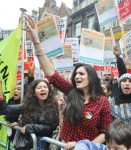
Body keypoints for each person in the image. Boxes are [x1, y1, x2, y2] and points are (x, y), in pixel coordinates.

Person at [25, 16, 111, 150]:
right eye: (76, 74)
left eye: (81, 74)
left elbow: (104, 133)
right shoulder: (71, 91)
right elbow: (51, 74)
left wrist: (84, 146)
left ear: (92, 78)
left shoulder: (103, 102)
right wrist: (36, 41)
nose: (77, 76)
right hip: (62, 145)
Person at [0, 80, 59, 150]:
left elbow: (51, 127)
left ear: (49, 91)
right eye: (39, 87)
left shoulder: (55, 106)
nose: (43, 89)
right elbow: (5, 109)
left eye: (45, 87)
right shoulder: (27, 105)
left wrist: (29, 127)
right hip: (27, 145)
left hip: (44, 146)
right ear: (34, 93)